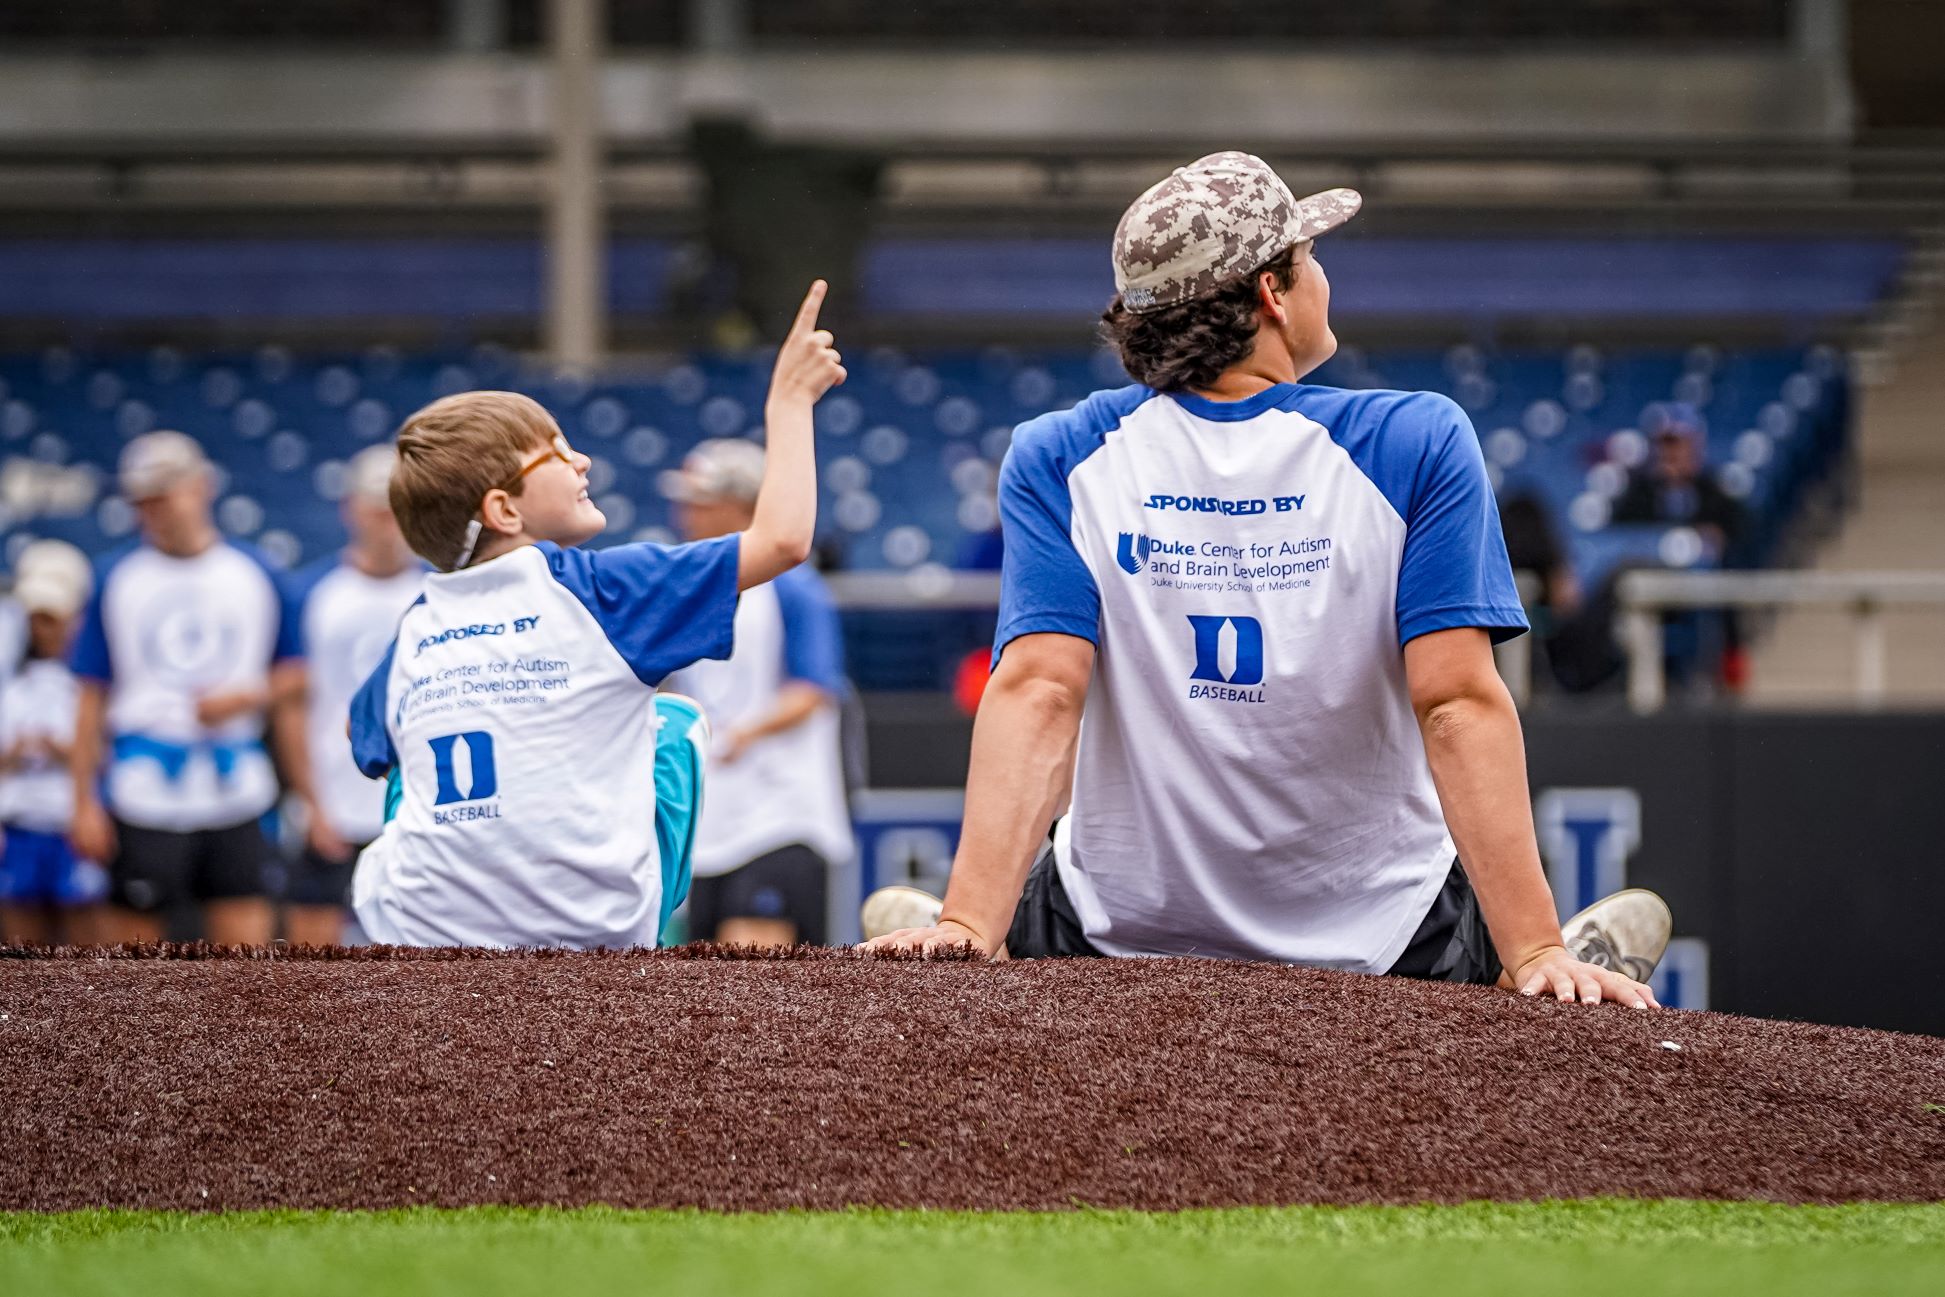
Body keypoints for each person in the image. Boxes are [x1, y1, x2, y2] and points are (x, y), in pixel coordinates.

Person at [863, 153, 1671, 1005]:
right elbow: (1456, 703)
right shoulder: (1417, 439)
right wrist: (1535, 949)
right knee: (1505, 969)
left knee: (1004, 921)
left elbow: (1038, 693)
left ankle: (970, 926)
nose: (1323, 276)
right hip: (1384, 942)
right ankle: (1555, 954)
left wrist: (965, 929)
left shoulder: (1057, 454)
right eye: (1310, 257)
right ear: (1272, 294)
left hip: (1111, 934)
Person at [348, 282, 845, 949]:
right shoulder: (603, 588)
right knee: (672, 721)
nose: (581, 459)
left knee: (408, 762)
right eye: (555, 450)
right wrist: (788, 401)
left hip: (423, 930)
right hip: (589, 928)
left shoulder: (413, 629)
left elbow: (368, 746)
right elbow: (783, 539)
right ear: (504, 510)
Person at [68, 432, 299, 946]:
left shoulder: (256, 571)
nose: (151, 512)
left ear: (201, 487)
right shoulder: (116, 576)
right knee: (137, 967)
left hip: (237, 786)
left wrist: (247, 696)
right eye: (141, 501)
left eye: (161, 496)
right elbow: (90, 695)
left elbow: (296, 674)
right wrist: (81, 800)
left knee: (244, 959)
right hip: (143, 787)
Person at [661, 439, 854, 947]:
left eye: (699, 502)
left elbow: (814, 688)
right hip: (710, 818)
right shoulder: (692, 586)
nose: (686, 514)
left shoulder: (793, 585)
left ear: (737, 505)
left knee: (755, 981)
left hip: (778, 813)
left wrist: (745, 732)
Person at [277, 446, 425, 945]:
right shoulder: (313, 592)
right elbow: (293, 709)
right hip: (334, 804)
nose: (388, 525)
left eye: (398, 512)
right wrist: (310, 802)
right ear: (352, 509)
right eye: (379, 511)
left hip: (414, 809)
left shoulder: (443, 591)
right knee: (312, 968)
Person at [0, 542, 105, 944]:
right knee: (24, 958)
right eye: (36, 618)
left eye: (53, 618)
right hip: (21, 826)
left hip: (70, 828)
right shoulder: (14, 680)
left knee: (83, 957)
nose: (44, 628)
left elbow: (109, 754)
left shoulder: (91, 683)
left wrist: (68, 753)